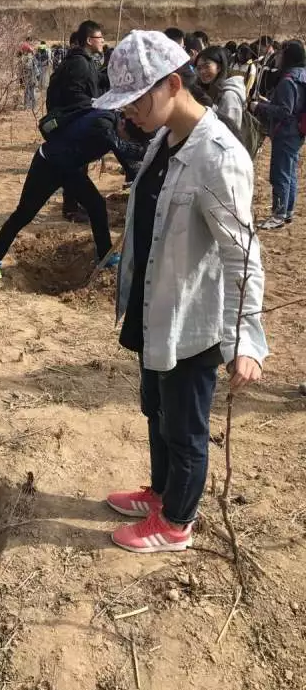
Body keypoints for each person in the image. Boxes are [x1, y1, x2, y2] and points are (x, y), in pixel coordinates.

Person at [90, 30, 267, 554]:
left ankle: (176, 521)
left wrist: (246, 339)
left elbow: (242, 253)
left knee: (185, 426)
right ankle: (161, 492)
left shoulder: (218, 156)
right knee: (157, 409)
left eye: (135, 100)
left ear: (172, 84)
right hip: (155, 306)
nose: (128, 114)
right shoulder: (165, 139)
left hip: (193, 316)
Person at [0, 109, 147, 281]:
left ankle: (105, 255)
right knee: (25, 213)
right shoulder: (103, 125)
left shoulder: (115, 128)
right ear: (122, 123)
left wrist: (138, 174)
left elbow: (124, 156)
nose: (126, 140)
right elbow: (122, 148)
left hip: (70, 170)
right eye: (127, 137)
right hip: (47, 165)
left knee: (97, 206)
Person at [46, 20, 106, 222]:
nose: (102, 41)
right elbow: (75, 95)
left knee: (78, 165)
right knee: (75, 167)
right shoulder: (79, 63)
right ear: (89, 40)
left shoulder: (83, 61)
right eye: (99, 37)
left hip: (76, 122)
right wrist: (93, 106)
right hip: (73, 123)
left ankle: (75, 204)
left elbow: (94, 83)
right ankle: (70, 209)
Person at [251, 40, 306, 230]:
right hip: (298, 130)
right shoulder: (302, 75)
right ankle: (287, 211)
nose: (278, 58)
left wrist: (259, 107)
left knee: (280, 173)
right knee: (289, 172)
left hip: (286, 132)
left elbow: (284, 111)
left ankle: (278, 214)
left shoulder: (288, 80)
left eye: (281, 54)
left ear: (288, 57)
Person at [196, 46, 247, 131]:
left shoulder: (229, 96)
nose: (202, 71)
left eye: (207, 66)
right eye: (199, 68)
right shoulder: (212, 89)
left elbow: (230, 132)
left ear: (219, 67)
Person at [19, 45, 39, 111]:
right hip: (28, 77)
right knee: (28, 92)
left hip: (30, 77)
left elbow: (29, 66)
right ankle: (29, 106)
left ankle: (31, 106)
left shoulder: (29, 57)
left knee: (30, 92)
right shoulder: (27, 57)